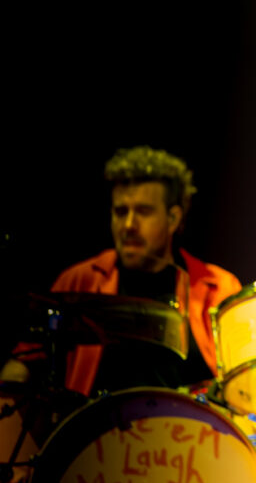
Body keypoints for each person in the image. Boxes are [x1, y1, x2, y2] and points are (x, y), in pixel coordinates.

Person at [50, 146, 241, 395]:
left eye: (143, 212)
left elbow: (241, 388)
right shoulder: (78, 281)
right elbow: (24, 364)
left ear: (173, 219)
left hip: (188, 421)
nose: (129, 225)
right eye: (121, 212)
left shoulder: (219, 288)